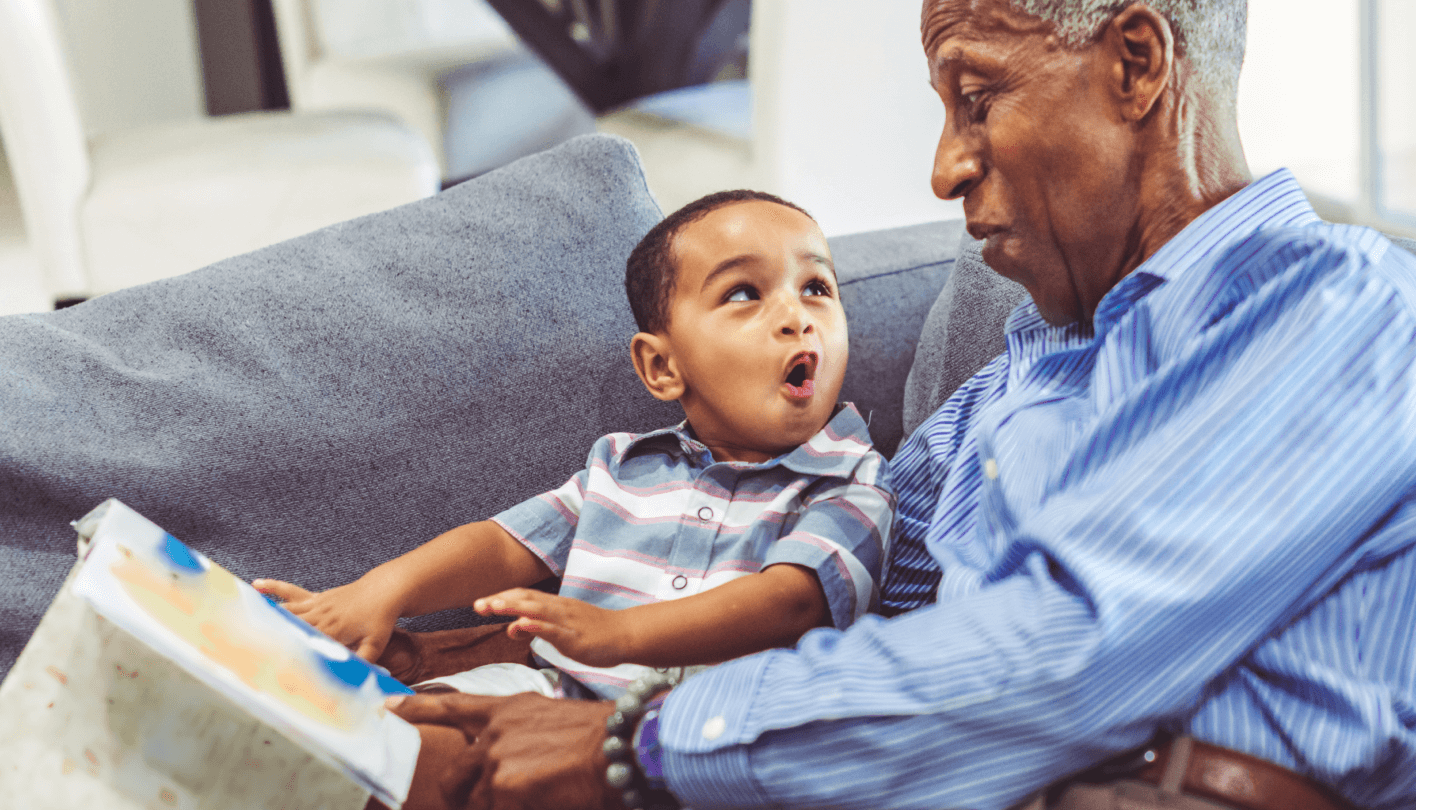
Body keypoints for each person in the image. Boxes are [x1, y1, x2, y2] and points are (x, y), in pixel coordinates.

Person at [379, 1, 1416, 808]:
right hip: (914, 777)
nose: (944, 166)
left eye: (978, 97)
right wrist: (505, 650)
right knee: (399, 755)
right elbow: (823, 581)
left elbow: (1064, 656)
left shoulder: (1338, 305)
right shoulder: (1021, 371)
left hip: (1149, 787)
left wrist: (635, 744)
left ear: (1136, 65)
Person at [254, 189, 893, 704]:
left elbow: (793, 601)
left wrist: (617, 633)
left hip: (710, 732)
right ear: (663, 368)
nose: (797, 316)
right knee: (404, 724)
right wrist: (380, 592)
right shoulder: (622, 466)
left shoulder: (852, 479)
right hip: (555, 689)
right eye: (744, 294)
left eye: (817, 287)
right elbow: (504, 545)